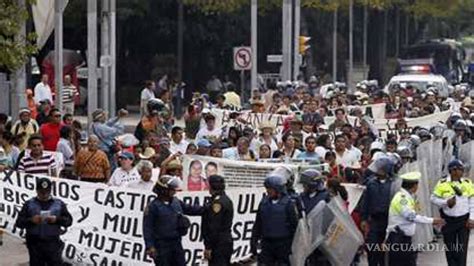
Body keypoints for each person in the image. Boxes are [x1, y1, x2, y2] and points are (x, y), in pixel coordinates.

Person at [386, 171, 445, 266]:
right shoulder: (402, 199)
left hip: (403, 238)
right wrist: (432, 220)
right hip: (399, 239)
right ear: (414, 186)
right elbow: (411, 216)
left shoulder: (407, 197)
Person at [143, 175, 203, 266]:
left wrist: (207, 209)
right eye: (171, 189)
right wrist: (150, 247)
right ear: (163, 190)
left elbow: (190, 209)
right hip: (161, 245)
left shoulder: (176, 202)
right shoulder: (153, 207)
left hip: (176, 243)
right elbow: (147, 228)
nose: (174, 191)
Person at [15, 177, 73, 265]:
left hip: (53, 243)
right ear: (37, 190)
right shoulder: (29, 204)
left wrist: (57, 220)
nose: (44, 195)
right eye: (41, 192)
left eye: (47, 192)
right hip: (35, 244)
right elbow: (19, 223)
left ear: (50, 191)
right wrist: (31, 220)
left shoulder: (59, 204)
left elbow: (69, 221)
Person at [431, 159, 474, 266]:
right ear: (453, 170)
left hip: (463, 221)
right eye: (460, 169)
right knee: (450, 249)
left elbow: (472, 202)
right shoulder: (442, 183)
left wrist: (472, 218)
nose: (462, 172)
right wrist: (445, 202)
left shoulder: (467, 183)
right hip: (448, 221)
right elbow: (433, 199)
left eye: (462, 169)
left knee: (462, 249)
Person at [251, 175, 299, 265]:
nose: (268, 191)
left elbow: (294, 225)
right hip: (267, 243)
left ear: (278, 189)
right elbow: (258, 223)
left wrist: (294, 245)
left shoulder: (289, 203)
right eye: (267, 188)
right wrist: (254, 239)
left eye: (270, 189)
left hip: (283, 243)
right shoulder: (264, 203)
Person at [360, 157, 395, 266]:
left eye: (381, 169)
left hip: (388, 221)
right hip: (374, 221)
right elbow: (365, 202)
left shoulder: (393, 184)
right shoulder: (370, 183)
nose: (378, 170)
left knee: (385, 249)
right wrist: (364, 219)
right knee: (372, 247)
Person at [298, 169, 331, 265]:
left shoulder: (326, 196)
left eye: (305, 184)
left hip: (321, 237)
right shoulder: (301, 197)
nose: (303, 187)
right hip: (306, 237)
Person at [202, 175, 234, 265]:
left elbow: (214, 227)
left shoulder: (217, 203)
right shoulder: (223, 199)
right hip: (223, 242)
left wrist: (208, 246)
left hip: (218, 244)